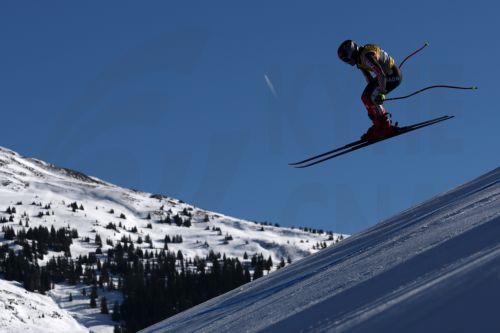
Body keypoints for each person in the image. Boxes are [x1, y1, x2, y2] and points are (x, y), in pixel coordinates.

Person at [337, 40, 402, 140]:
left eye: (346, 57)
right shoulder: (360, 60)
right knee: (366, 97)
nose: (347, 61)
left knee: (370, 97)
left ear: (351, 52)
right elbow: (369, 80)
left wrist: (381, 92)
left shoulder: (366, 56)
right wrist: (374, 93)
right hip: (385, 76)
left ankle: (386, 126)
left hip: (392, 75)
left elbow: (380, 73)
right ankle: (378, 125)